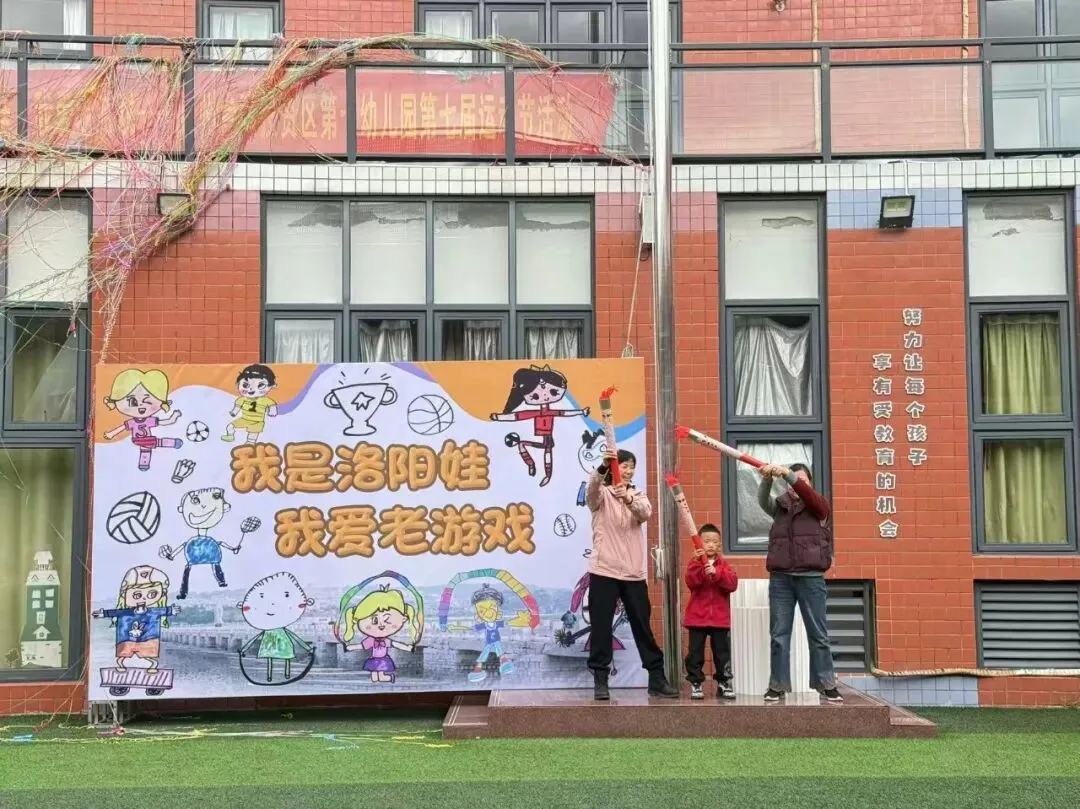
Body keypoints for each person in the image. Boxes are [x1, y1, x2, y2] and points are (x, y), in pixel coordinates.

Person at [585, 447, 678, 701]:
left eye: (631, 466)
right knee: (601, 627)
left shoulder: (638, 495)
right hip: (604, 570)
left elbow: (644, 513)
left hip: (633, 574)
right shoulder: (602, 495)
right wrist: (603, 467)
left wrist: (626, 497)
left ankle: (656, 678)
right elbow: (590, 492)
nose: (628, 470)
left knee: (642, 627)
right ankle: (601, 679)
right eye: (623, 466)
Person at [757, 462, 842, 703]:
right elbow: (762, 500)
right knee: (779, 635)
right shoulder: (780, 507)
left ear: (810, 483)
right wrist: (767, 479)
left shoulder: (818, 506)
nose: (796, 485)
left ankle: (826, 684)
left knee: (818, 635)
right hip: (781, 579)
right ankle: (777, 685)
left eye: (802, 480)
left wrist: (789, 475)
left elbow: (809, 495)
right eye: (793, 481)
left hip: (811, 579)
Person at [683, 523, 738, 700]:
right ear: (699, 544)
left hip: (720, 620)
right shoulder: (694, 564)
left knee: (722, 653)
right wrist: (699, 566)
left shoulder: (725, 566)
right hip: (697, 618)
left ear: (719, 545)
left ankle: (724, 682)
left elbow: (732, 584)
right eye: (706, 541)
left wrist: (717, 573)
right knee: (695, 653)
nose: (711, 545)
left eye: (715, 541)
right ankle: (696, 683)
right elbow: (691, 582)